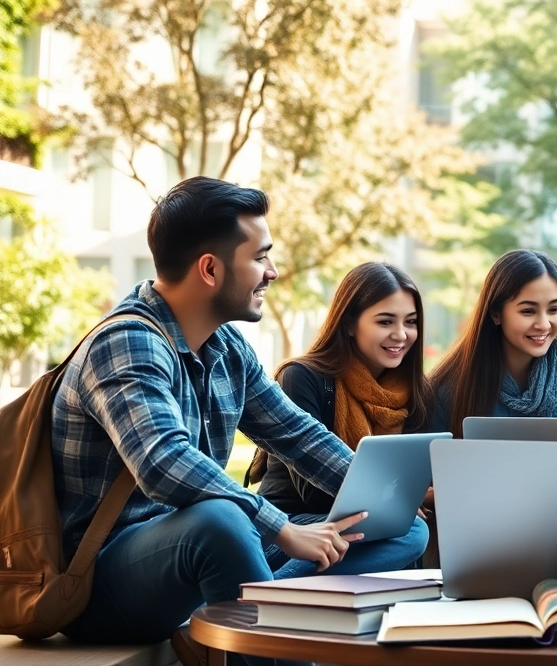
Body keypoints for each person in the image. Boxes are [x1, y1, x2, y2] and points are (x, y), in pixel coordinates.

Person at [51, 177, 423, 666]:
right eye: (261, 257)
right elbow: (164, 462)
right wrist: (281, 528)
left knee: (400, 528)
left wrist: (388, 493)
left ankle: (260, 604)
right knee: (222, 519)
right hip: (105, 582)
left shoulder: (226, 348)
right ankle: (274, 634)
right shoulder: (126, 342)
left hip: (202, 552)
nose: (272, 271)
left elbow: (297, 434)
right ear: (210, 269)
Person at [250, 262, 432, 574]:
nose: (401, 334)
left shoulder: (412, 392)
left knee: (407, 527)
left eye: (410, 322)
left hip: (361, 524)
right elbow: (313, 491)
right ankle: (269, 592)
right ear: (349, 323)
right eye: (386, 321)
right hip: (290, 526)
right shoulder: (303, 376)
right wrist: (398, 498)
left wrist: (416, 495)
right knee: (410, 531)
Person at [427, 250, 557, 436]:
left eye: (554, 309)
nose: (544, 324)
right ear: (496, 313)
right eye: (528, 311)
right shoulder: (449, 385)